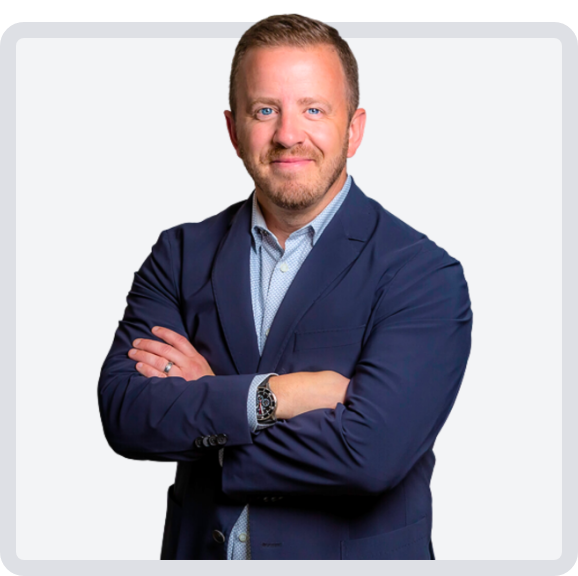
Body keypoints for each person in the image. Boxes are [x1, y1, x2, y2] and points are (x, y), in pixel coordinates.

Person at [98, 14, 473, 560]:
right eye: (265, 110)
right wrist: (283, 396)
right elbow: (127, 413)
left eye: (313, 109)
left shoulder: (421, 274)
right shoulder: (180, 255)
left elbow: (371, 454)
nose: (288, 134)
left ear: (354, 129)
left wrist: (213, 410)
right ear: (233, 130)